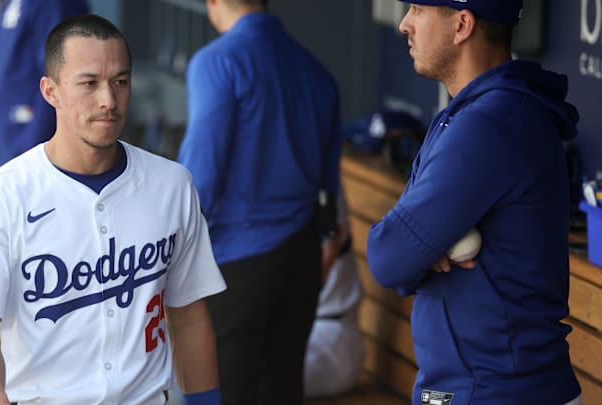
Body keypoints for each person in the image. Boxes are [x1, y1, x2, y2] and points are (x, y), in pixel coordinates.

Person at [0, 14, 226, 404]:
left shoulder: (172, 184)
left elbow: (187, 314)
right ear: (50, 91)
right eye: (89, 83)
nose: (108, 100)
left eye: (120, 81)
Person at [366, 1, 582, 404]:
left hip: (497, 391)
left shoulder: (491, 123)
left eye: (417, 9)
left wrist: (419, 250)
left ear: (462, 24)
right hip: (481, 386)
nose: (404, 24)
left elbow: (388, 255)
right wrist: (419, 249)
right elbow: (395, 252)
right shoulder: (467, 116)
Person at [177, 0, 342, 402]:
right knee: (283, 391)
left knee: (221, 393)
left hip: (237, 262)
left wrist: (173, 253)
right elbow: (329, 182)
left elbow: (201, 175)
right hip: (301, 259)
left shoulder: (217, 61)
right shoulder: (316, 71)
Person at [0, 0, 89, 171]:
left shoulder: (52, 4)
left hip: (30, 138)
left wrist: (38, 146)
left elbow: (59, 76)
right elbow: (3, 75)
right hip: (5, 137)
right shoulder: (10, 5)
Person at [304, 187, 365, 398]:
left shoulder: (312, 173)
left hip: (329, 335)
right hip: (297, 335)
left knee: (245, 380)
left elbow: (329, 249)